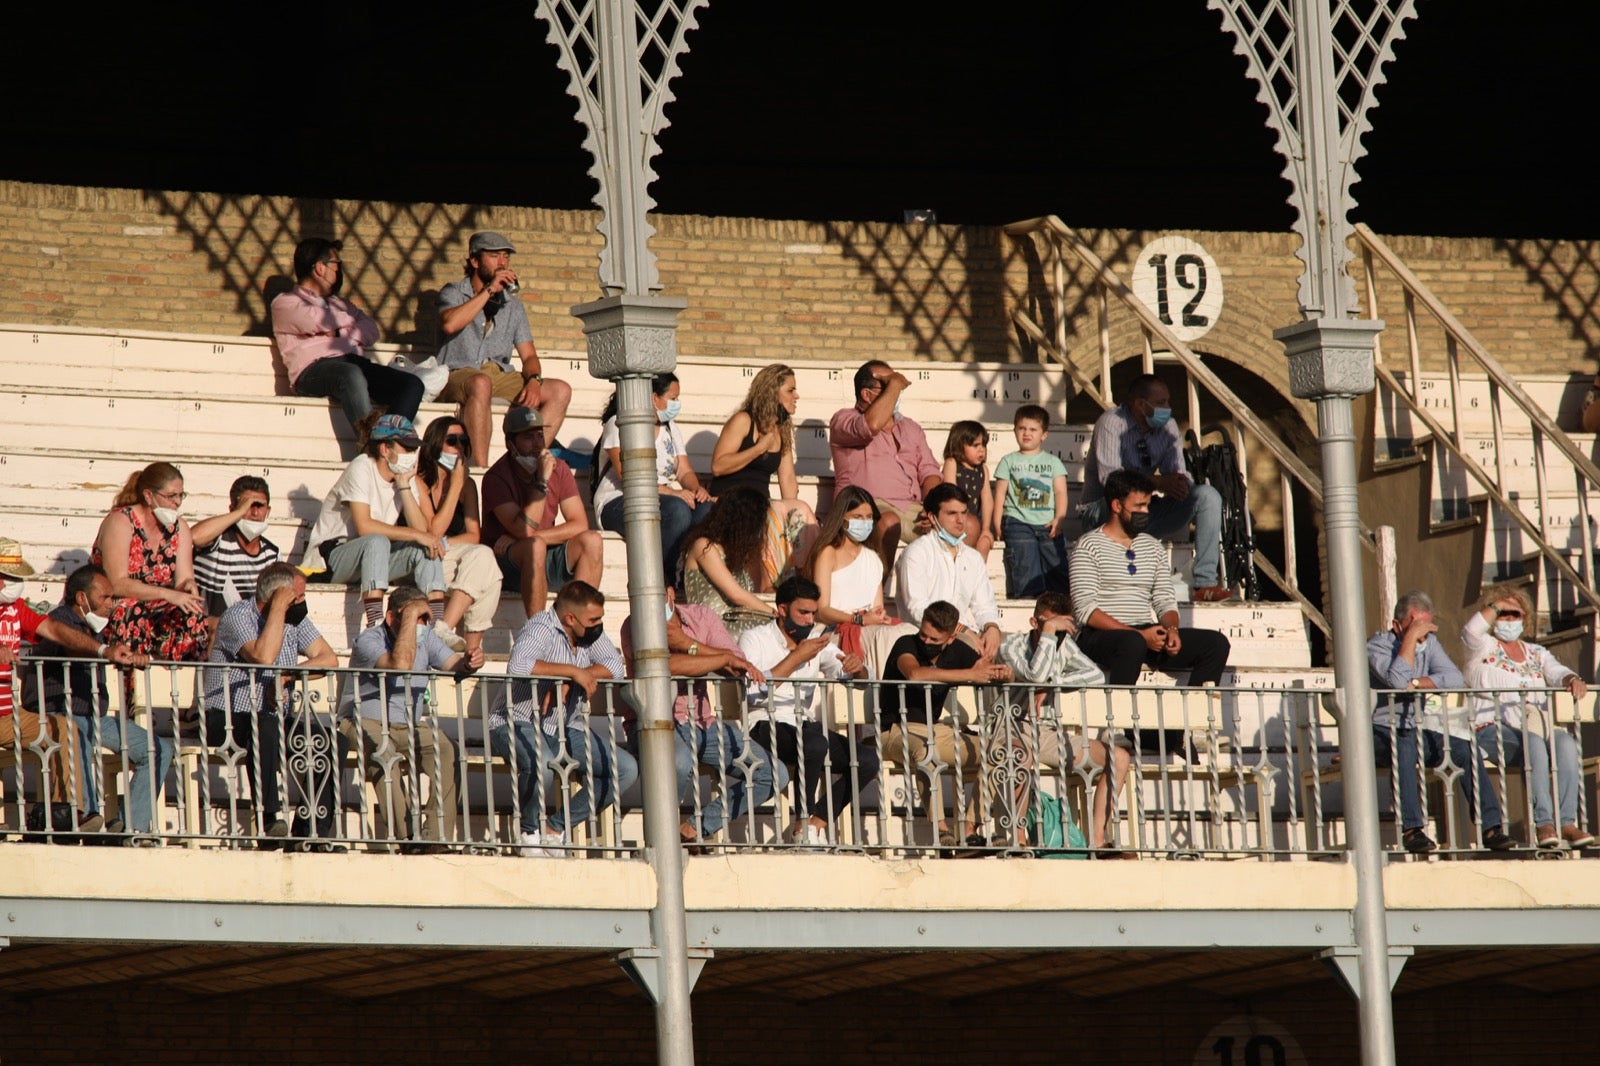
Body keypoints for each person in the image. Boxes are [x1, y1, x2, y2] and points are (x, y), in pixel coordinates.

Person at [1069, 469, 1231, 754]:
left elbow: (1164, 600)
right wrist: (1139, 634)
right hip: (1100, 635)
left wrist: (1170, 630)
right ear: (1117, 506)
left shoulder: (1152, 547)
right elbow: (1085, 610)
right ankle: (1117, 725)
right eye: (1139, 506)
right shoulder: (1088, 546)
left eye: (1147, 505)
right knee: (1130, 643)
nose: (1146, 512)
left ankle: (1185, 727)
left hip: (1142, 630)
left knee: (1215, 643)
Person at [619, 588, 783, 846]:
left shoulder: (701, 616)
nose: (648, 604)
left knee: (773, 774)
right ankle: (664, 840)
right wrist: (719, 657)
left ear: (670, 593)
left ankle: (693, 828)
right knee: (680, 762)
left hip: (702, 722)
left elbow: (738, 663)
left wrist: (687, 644)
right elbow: (663, 666)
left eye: (656, 596)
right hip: (652, 723)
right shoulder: (633, 624)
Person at [489, 581, 636, 857]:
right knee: (542, 762)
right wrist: (572, 672)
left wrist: (571, 680)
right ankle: (529, 832)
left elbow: (616, 667)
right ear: (570, 618)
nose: (598, 625)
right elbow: (519, 665)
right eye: (593, 620)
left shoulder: (586, 635)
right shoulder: (540, 627)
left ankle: (556, 829)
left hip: (565, 728)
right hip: (516, 722)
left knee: (625, 769)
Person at [22, 564, 170, 837]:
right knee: (77, 736)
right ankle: (88, 816)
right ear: (82, 598)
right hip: (59, 714)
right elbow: (72, 646)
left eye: (113, 598)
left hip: (96, 718)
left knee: (158, 749)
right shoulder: (60, 620)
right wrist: (106, 652)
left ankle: (130, 828)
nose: (112, 605)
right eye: (106, 598)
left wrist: (132, 659)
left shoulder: (96, 627)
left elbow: (111, 654)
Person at [2, 538, 138, 833]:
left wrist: (104, 651)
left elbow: (53, 629)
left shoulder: (16, 609)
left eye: (17, 578)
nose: (15, 585)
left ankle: (68, 817)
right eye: (9, 578)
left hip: (6, 716)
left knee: (64, 729)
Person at [202, 562, 342, 849]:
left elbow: (328, 659)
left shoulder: (295, 619)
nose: (302, 603)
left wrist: (288, 674)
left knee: (331, 740)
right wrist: (278, 608)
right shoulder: (238, 616)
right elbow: (264, 657)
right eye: (296, 596)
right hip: (226, 718)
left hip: (271, 720)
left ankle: (310, 832)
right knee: (264, 724)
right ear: (279, 595)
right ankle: (269, 820)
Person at [1367, 590, 1513, 854]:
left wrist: (1418, 682)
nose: (1424, 635)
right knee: (1405, 741)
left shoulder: (1430, 644)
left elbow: (1454, 678)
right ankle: (1412, 830)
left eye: (1426, 628)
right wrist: (1410, 639)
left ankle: (1491, 827)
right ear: (1397, 626)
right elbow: (1397, 682)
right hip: (1376, 732)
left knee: (1464, 748)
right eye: (1416, 627)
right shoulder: (1377, 646)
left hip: (1412, 730)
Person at [342, 586, 484, 853]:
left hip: (409, 725)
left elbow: (454, 664)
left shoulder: (425, 636)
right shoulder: (368, 641)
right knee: (385, 755)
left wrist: (470, 662)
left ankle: (434, 835)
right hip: (363, 721)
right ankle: (408, 838)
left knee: (447, 749)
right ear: (391, 618)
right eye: (415, 617)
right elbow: (400, 664)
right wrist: (409, 620)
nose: (422, 625)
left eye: (425, 619)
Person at [739, 576, 877, 846]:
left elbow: (861, 678)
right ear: (782, 610)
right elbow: (751, 693)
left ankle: (816, 822)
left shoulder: (815, 640)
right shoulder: (754, 639)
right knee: (814, 743)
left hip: (803, 728)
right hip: (763, 725)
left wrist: (856, 668)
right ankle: (802, 824)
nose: (809, 620)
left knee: (867, 760)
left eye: (813, 613)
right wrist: (796, 659)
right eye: (803, 612)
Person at [1461, 584, 1596, 850]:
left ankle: (1566, 822)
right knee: (1532, 744)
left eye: (1516, 614)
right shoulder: (1482, 648)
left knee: (1566, 744)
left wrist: (1571, 678)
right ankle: (1544, 822)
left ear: (1526, 618)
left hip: (1535, 726)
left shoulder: (1536, 652)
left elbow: (1556, 670)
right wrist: (1499, 603)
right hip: (1492, 729)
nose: (1510, 619)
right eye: (1504, 613)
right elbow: (1470, 631)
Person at [1079, 374, 1232, 602]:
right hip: (1103, 511)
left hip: (1145, 510)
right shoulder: (1111, 423)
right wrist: (1160, 482)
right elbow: (1112, 482)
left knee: (1207, 496)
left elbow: (1177, 471)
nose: (1167, 408)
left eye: (1168, 402)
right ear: (1141, 404)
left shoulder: (1168, 427)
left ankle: (1205, 583)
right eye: (1161, 403)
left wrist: (1180, 485)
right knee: (1122, 500)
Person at [876, 600, 1012, 851]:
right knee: (927, 752)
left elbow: (987, 670)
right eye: (923, 635)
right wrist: (970, 674)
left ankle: (970, 829)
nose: (926, 642)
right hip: (893, 731)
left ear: (950, 639)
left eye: (934, 640)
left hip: (934, 731)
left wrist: (1003, 674)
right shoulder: (906, 643)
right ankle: (942, 831)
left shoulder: (957, 651)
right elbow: (915, 674)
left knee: (996, 753)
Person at [999, 592, 1132, 851]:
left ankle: (1097, 841)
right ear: (1033, 622)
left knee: (1119, 758)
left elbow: (1094, 676)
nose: (1056, 633)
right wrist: (1049, 633)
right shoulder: (1011, 646)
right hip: (1009, 727)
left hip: (1046, 732)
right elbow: (1035, 674)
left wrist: (1052, 684)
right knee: (1021, 757)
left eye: (1060, 628)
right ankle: (1019, 841)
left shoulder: (1065, 646)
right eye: (1049, 625)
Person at [299, 413, 449, 633]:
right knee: (377, 541)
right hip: (331, 558)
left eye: (414, 448)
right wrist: (417, 535)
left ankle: (437, 625)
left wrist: (404, 487)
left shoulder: (404, 476)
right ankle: (375, 623)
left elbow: (422, 531)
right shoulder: (361, 466)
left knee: (425, 548)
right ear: (384, 449)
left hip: (373, 558)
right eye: (406, 447)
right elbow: (364, 526)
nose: (412, 454)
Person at [435, 231, 572, 468]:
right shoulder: (453, 292)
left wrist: (534, 380)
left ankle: (528, 464)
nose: (502, 263)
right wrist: (489, 291)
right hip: (458, 372)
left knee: (560, 390)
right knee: (480, 383)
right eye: (494, 256)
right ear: (475, 261)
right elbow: (449, 324)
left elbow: (529, 356)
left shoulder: (513, 306)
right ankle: (480, 469)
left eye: (506, 256)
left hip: (498, 374)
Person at [271, 236, 423, 424]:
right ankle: (371, 446)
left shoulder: (340, 303)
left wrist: (340, 331)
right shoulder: (284, 302)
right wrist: (348, 322)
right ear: (320, 268)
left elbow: (371, 329)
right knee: (351, 374)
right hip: (314, 371)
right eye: (337, 265)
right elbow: (316, 320)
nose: (339, 271)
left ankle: (387, 439)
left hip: (354, 363)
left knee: (411, 385)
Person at [481, 406, 603, 617]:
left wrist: (526, 537)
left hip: (539, 550)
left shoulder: (560, 468)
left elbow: (579, 524)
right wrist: (542, 480)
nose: (538, 444)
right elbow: (524, 529)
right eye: (529, 438)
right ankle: (538, 631)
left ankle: (576, 624)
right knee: (534, 546)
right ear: (511, 444)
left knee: (592, 540)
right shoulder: (496, 477)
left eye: (540, 436)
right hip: (504, 563)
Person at [90, 462, 212, 667]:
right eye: (171, 496)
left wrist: (188, 586)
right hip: (116, 604)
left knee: (194, 614)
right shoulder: (121, 521)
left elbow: (185, 577)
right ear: (148, 496)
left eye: (181, 495)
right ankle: (129, 687)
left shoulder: (179, 527)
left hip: (157, 606)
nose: (177, 502)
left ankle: (182, 684)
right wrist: (167, 593)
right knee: (131, 608)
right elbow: (117, 583)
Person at [594, 373, 714, 580]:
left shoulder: (670, 428)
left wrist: (696, 490)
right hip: (618, 501)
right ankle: (664, 579)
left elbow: (684, 471)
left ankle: (690, 575)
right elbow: (627, 476)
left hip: (662, 497)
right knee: (677, 510)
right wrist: (671, 492)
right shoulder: (618, 423)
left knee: (705, 508)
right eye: (673, 398)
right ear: (653, 398)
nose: (677, 404)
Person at [828, 360, 942, 574]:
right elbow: (870, 426)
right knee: (889, 521)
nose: (896, 390)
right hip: (868, 507)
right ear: (866, 394)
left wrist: (933, 508)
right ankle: (877, 593)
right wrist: (898, 383)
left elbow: (929, 472)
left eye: (896, 385)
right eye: (889, 385)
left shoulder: (911, 427)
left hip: (914, 508)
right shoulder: (843, 419)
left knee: (965, 523)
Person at [710, 363, 820, 584]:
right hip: (731, 500)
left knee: (800, 514)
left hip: (761, 503)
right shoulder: (743, 420)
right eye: (790, 390)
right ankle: (771, 583)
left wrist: (790, 515)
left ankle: (806, 578)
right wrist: (759, 449)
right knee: (776, 516)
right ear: (772, 392)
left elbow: (787, 478)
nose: (796, 396)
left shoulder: (782, 430)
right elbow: (718, 466)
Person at [413, 415, 504, 654]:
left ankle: (447, 631)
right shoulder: (418, 480)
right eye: (452, 440)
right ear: (435, 444)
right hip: (421, 558)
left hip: (445, 553)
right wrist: (454, 485)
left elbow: (474, 535)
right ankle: (471, 650)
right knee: (489, 577)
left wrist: (444, 543)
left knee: (485, 558)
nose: (460, 447)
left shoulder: (469, 486)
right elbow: (433, 529)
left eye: (463, 441)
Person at [893, 484, 1004, 660]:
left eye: (964, 512)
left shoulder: (973, 558)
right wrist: (961, 630)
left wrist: (992, 628)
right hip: (930, 638)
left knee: (1012, 648)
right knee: (971, 650)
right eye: (952, 514)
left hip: (966, 632)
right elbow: (918, 610)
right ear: (932, 516)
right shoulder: (917, 553)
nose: (961, 520)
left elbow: (985, 606)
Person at [803, 486, 896, 658]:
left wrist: (878, 617)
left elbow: (877, 608)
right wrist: (857, 619)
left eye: (868, 517)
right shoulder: (828, 553)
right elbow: (822, 610)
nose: (864, 522)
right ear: (842, 519)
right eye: (857, 517)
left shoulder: (874, 558)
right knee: (887, 638)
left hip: (868, 630)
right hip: (833, 630)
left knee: (905, 634)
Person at [991, 404, 1069, 599]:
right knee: (1025, 561)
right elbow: (999, 494)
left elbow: (1060, 492)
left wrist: (1059, 518)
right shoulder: (1008, 461)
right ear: (1015, 430)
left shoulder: (1053, 462)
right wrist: (996, 522)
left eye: (1033, 429)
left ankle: (1058, 602)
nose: (1026, 433)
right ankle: (1027, 600)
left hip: (1048, 522)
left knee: (1056, 564)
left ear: (1044, 435)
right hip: (1017, 521)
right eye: (1022, 428)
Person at [681, 487, 781, 642]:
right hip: (711, 626)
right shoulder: (704, 546)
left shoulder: (736, 554)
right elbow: (736, 595)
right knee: (774, 632)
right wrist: (776, 615)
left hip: (736, 621)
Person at [190, 475, 279, 625]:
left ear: (268, 510)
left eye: (259, 506)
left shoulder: (271, 554)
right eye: (248, 505)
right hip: (203, 633)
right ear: (232, 509)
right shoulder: (217, 540)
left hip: (247, 637)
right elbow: (194, 536)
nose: (255, 513)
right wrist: (238, 513)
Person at [940, 420, 994, 556]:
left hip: (976, 521)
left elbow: (987, 499)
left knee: (985, 541)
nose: (981, 449)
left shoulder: (983, 470)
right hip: (956, 519)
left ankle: (975, 575)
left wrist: (986, 528)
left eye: (983, 445)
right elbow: (950, 495)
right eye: (975, 445)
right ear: (959, 446)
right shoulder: (952, 463)